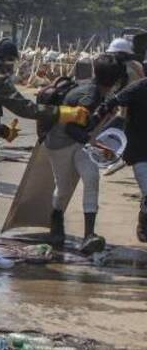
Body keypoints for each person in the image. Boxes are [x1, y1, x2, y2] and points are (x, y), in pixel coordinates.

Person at [0, 37, 89, 268]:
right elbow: (26, 108)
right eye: (11, 63)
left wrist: (3, 131)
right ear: (5, 61)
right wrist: (64, 112)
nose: (12, 68)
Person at [45, 54, 125, 255]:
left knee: (91, 177)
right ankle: (56, 224)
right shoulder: (91, 96)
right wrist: (97, 144)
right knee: (63, 188)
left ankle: (89, 235)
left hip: (78, 142)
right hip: (61, 143)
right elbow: (73, 129)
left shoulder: (95, 89)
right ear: (114, 80)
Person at [92, 74, 147, 242]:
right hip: (139, 152)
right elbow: (110, 104)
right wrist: (90, 130)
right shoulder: (138, 88)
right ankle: (144, 224)